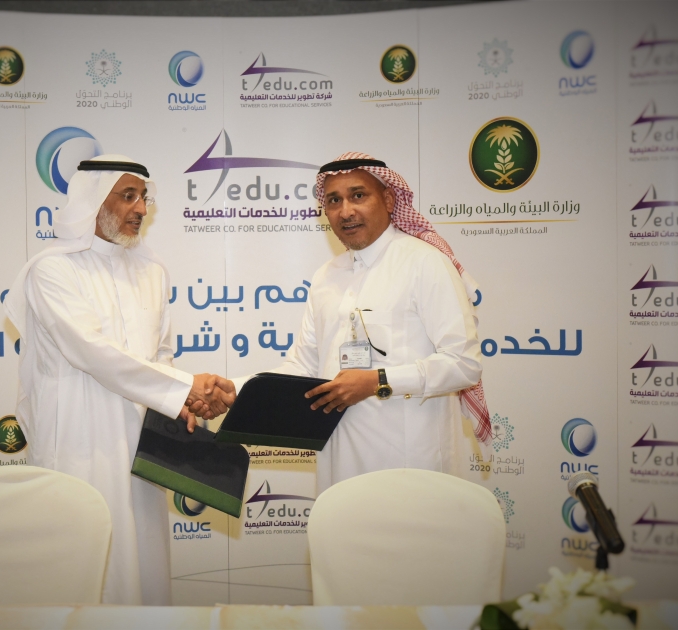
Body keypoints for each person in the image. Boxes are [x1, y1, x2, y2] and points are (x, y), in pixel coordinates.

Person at [194, 152, 491, 494]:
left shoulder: (425, 263)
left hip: (413, 461)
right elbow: (304, 367)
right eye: (334, 200)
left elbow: (464, 364)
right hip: (339, 462)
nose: (345, 211)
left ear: (389, 199)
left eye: (358, 195)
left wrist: (377, 381)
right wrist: (237, 389)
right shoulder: (327, 276)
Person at [4, 155, 228, 605]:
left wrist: (183, 402)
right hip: (77, 442)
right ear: (93, 201)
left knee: (142, 565)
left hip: (143, 447)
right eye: (128, 196)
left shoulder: (152, 272)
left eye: (143, 197)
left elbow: (160, 355)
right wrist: (183, 388)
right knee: (84, 569)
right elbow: (93, 352)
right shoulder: (53, 270)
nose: (141, 208)